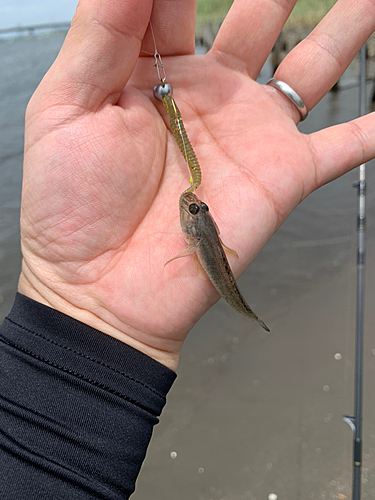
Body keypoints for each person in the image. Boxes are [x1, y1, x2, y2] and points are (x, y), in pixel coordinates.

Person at [1, 0, 375, 498]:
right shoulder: (192, 208)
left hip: (74, 384)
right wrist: (79, 309)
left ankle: (246, 309)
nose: (194, 209)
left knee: (229, 284)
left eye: (197, 213)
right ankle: (246, 310)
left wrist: (73, 327)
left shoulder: (197, 219)